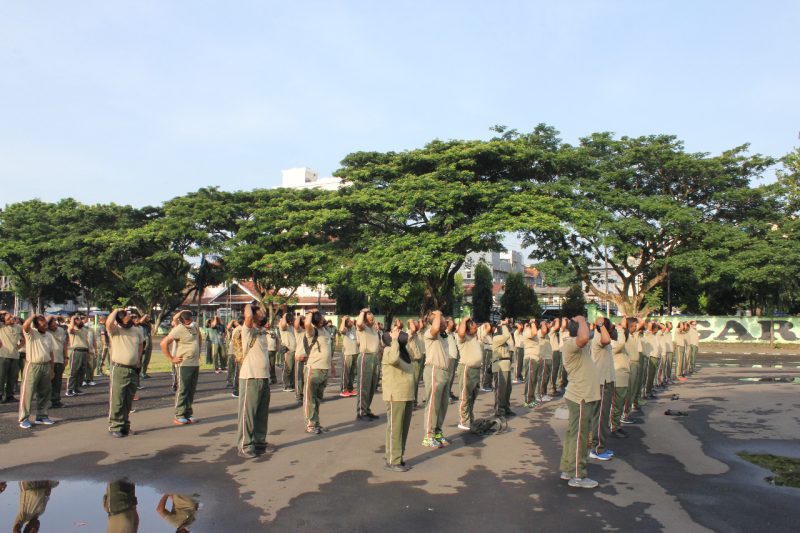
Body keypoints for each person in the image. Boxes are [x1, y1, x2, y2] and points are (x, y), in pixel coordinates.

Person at [558, 315, 598, 489]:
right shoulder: (570, 344)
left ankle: (568, 469)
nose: (587, 328)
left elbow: (589, 336)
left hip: (582, 395)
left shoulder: (578, 345)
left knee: (574, 435)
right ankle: (577, 475)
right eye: (584, 326)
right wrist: (582, 320)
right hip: (580, 396)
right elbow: (583, 336)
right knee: (580, 437)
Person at [237, 304, 272, 458]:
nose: (263, 313)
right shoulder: (247, 330)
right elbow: (249, 317)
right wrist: (249, 306)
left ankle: (259, 442)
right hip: (250, 377)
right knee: (248, 414)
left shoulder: (262, 332)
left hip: (264, 377)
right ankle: (245, 445)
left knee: (261, 414)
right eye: (260, 311)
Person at [105, 308, 144, 437]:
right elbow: (108, 324)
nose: (128, 318)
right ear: (119, 320)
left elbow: (140, 345)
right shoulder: (116, 330)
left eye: (128, 315)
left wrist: (138, 359)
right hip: (119, 367)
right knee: (118, 399)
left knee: (128, 400)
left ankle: (125, 426)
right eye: (124, 316)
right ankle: (115, 426)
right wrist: (116, 310)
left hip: (133, 368)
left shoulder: (137, 330)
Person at [381, 322, 414, 471]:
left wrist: (400, 331)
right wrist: (394, 339)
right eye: (393, 335)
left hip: (406, 394)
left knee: (403, 429)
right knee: (395, 429)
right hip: (395, 395)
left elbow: (410, 338)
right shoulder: (389, 350)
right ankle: (392, 461)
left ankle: (399, 458)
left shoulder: (402, 351)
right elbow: (394, 360)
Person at [160, 310, 201, 425]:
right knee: (183, 389)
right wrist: (171, 358)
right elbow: (163, 343)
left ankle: (188, 413)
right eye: (187, 321)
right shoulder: (178, 329)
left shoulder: (195, 326)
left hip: (194, 363)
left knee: (191, 390)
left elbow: (199, 338)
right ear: (182, 321)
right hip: (184, 364)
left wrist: (198, 352)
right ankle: (179, 414)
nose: (190, 323)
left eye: (191, 320)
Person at [18, 313, 55, 429]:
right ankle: (24, 418)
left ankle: (42, 416)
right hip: (32, 365)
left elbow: (51, 353)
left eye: (46, 324)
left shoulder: (49, 335)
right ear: (37, 326)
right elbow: (25, 326)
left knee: (45, 392)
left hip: (46, 366)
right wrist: (33, 315)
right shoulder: (31, 333)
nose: (45, 326)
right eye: (43, 325)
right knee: (28, 392)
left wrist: (52, 369)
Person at [422, 310, 451, 448]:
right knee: (433, 405)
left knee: (442, 405)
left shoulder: (442, 335)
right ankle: (428, 436)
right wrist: (438, 313)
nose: (445, 322)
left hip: (444, 372)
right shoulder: (430, 332)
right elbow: (434, 328)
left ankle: (438, 432)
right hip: (434, 370)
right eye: (441, 320)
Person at [588, 317, 614, 461]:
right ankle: (597, 449)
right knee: (600, 417)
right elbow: (607, 340)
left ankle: (600, 445)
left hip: (606, 381)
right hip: (601, 382)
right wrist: (600, 324)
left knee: (602, 417)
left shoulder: (603, 336)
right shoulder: (599, 337)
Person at [303, 308, 332, 434]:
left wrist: (332, 365)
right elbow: (307, 324)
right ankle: (311, 424)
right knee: (310, 399)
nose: (323, 317)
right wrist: (310, 312)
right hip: (313, 369)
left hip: (324, 369)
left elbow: (327, 349)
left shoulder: (324, 330)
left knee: (318, 399)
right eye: (321, 316)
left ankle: (316, 423)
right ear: (317, 320)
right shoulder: (312, 331)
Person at [455, 317, 483, 429]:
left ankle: (470, 418)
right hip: (467, 368)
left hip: (476, 370)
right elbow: (461, 331)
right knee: (465, 396)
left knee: (473, 396)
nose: (476, 329)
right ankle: (463, 421)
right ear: (467, 329)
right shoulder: (463, 337)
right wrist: (464, 320)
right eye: (473, 327)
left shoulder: (474, 337)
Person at [355, 308, 381, 420]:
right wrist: (362, 312)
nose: (372, 321)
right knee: (364, 387)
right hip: (366, 357)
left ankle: (366, 409)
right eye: (370, 320)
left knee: (371, 387)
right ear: (365, 321)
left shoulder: (374, 329)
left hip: (375, 358)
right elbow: (359, 322)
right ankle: (361, 412)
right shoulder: (362, 328)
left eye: (373, 319)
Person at [609, 318, 631, 438]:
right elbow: (621, 342)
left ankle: (616, 425)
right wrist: (620, 328)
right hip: (617, 378)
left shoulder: (619, 345)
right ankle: (613, 426)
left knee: (619, 404)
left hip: (623, 378)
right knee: (616, 405)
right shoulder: (613, 344)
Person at [491, 318, 515, 417]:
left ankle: (506, 408)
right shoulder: (496, 339)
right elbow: (506, 335)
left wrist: (505, 326)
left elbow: (512, 344)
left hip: (507, 365)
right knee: (500, 390)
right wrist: (503, 325)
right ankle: (499, 411)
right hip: (499, 366)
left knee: (507, 389)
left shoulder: (504, 341)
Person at [66, 314, 91, 397]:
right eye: (77, 319)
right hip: (76, 351)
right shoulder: (73, 329)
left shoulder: (84, 329)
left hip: (84, 351)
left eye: (80, 319)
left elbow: (86, 341)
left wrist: (89, 352)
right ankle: (69, 389)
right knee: (74, 371)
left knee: (81, 371)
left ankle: (76, 388)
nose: (79, 320)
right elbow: (70, 329)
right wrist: (72, 319)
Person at [0, 311, 23, 403]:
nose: (11, 319)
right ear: (3, 319)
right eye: (9, 318)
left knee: (12, 377)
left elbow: (24, 338)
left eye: (12, 317)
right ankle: (0, 395)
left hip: (15, 355)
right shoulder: (2, 326)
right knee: (1, 377)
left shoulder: (18, 327)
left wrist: (19, 346)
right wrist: (3, 312)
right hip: (3, 355)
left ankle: (9, 395)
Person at [521, 319, 542, 409]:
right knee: (530, 380)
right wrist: (532, 322)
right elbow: (534, 332)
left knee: (533, 380)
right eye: (535, 324)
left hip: (535, 359)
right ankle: (528, 401)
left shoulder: (532, 331)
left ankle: (532, 399)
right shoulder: (528, 331)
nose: (536, 325)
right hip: (530, 358)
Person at [47, 318, 68, 408]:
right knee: (48, 382)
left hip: (59, 359)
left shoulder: (61, 330)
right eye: (52, 325)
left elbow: (64, 344)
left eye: (55, 324)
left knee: (58, 382)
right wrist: (50, 317)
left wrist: (66, 357)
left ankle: (56, 400)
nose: (54, 326)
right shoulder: (45, 330)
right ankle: (47, 401)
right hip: (49, 360)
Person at [339, 316, 358, 397]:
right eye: (349, 321)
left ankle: (350, 388)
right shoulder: (345, 329)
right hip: (347, 353)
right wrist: (343, 320)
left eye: (351, 321)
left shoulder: (354, 327)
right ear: (346, 324)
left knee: (353, 373)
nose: (351, 322)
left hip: (355, 352)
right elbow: (341, 330)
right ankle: (344, 389)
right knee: (346, 372)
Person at [279, 312, 297, 392]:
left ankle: (292, 384)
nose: (291, 320)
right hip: (288, 350)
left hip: (294, 350)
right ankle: (286, 385)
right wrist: (285, 315)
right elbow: (283, 324)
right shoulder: (283, 326)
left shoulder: (291, 327)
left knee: (293, 369)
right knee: (288, 369)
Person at [293, 314, 307, 404]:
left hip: (309, 357)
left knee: (307, 378)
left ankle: (307, 395)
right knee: (299, 378)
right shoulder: (299, 330)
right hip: (300, 356)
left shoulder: (310, 330)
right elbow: (296, 325)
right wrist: (299, 317)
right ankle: (299, 396)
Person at [445, 317, 459, 402]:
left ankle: (448, 393)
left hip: (453, 357)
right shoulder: (445, 333)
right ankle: (446, 396)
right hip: (449, 357)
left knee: (451, 377)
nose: (452, 323)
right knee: (448, 377)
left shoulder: (451, 333)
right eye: (450, 322)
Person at [138, 315, 153, 379]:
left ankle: (144, 372)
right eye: (147, 317)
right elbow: (140, 322)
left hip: (149, 339)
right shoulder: (141, 324)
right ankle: (141, 373)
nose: (149, 318)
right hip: (144, 340)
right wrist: (145, 315)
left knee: (147, 357)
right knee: (144, 357)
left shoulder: (148, 324)